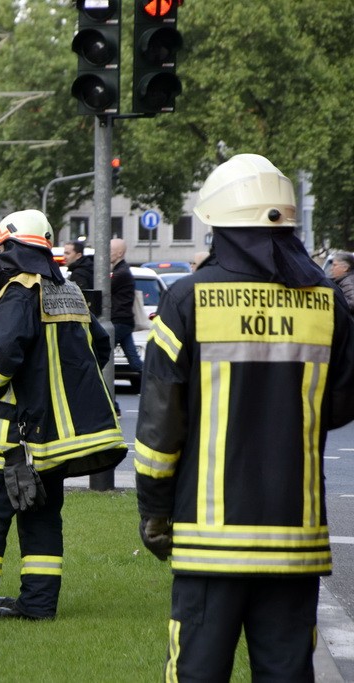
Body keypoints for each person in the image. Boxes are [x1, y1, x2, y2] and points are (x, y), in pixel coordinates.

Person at [135, 154, 354, 679]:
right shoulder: (327, 302)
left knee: (197, 673)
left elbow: (161, 427)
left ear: (219, 227)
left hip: (209, 541)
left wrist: (155, 510)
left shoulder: (187, 299)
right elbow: (342, 404)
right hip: (295, 539)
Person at [0, 210, 126, 622]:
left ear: (13, 249)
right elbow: (99, 348)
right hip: (53, 434)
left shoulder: (19, 289)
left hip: (12, 428)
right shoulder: (67, 289)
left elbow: (7, 352)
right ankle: (37, 605)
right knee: (41, 514)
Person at [110, 237, 142, 376]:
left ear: (119, 253)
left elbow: (105, 290)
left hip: (119, 321)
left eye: (109, 250)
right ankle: (156, 383)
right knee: (135, 363)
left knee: (100, 355)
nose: (106, 253)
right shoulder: (122, 270)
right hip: (124, 321)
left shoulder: (120, 273)